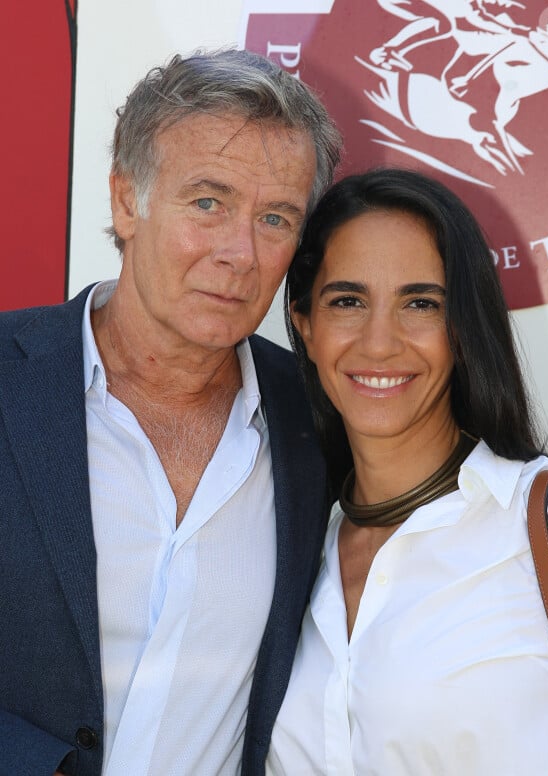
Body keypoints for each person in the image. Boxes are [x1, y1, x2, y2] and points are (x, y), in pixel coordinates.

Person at [0, 49, 342, 776]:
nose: (240, 253)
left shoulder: (322, 423)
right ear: (128, 201)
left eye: (276, 218)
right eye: (208, 202)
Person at [267, 168, 548, 774]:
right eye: (348, 301)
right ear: (304, 323)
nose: (380, 343)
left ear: (463, 330)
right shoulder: (287, 547)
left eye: (420, 303)